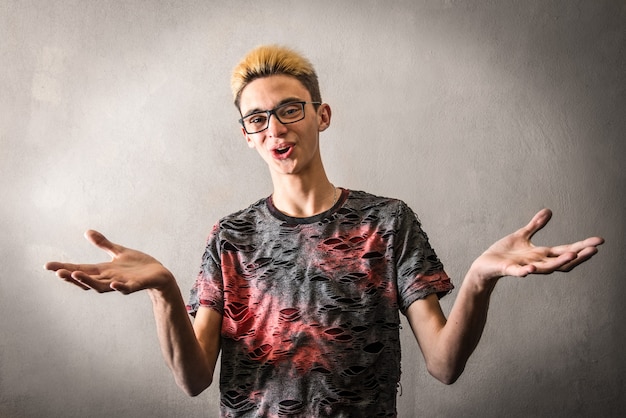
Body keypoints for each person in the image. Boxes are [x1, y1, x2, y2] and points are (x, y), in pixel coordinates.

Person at [45, 45, 604, 417]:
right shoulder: (231, 236)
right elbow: (194, 379)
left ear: (322, 115)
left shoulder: (386, 221)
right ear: (246, 135)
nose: (275, 129)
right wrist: (166, 292)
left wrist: (481, 279)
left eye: (290, 110)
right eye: (258, 119)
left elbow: (444, 363)